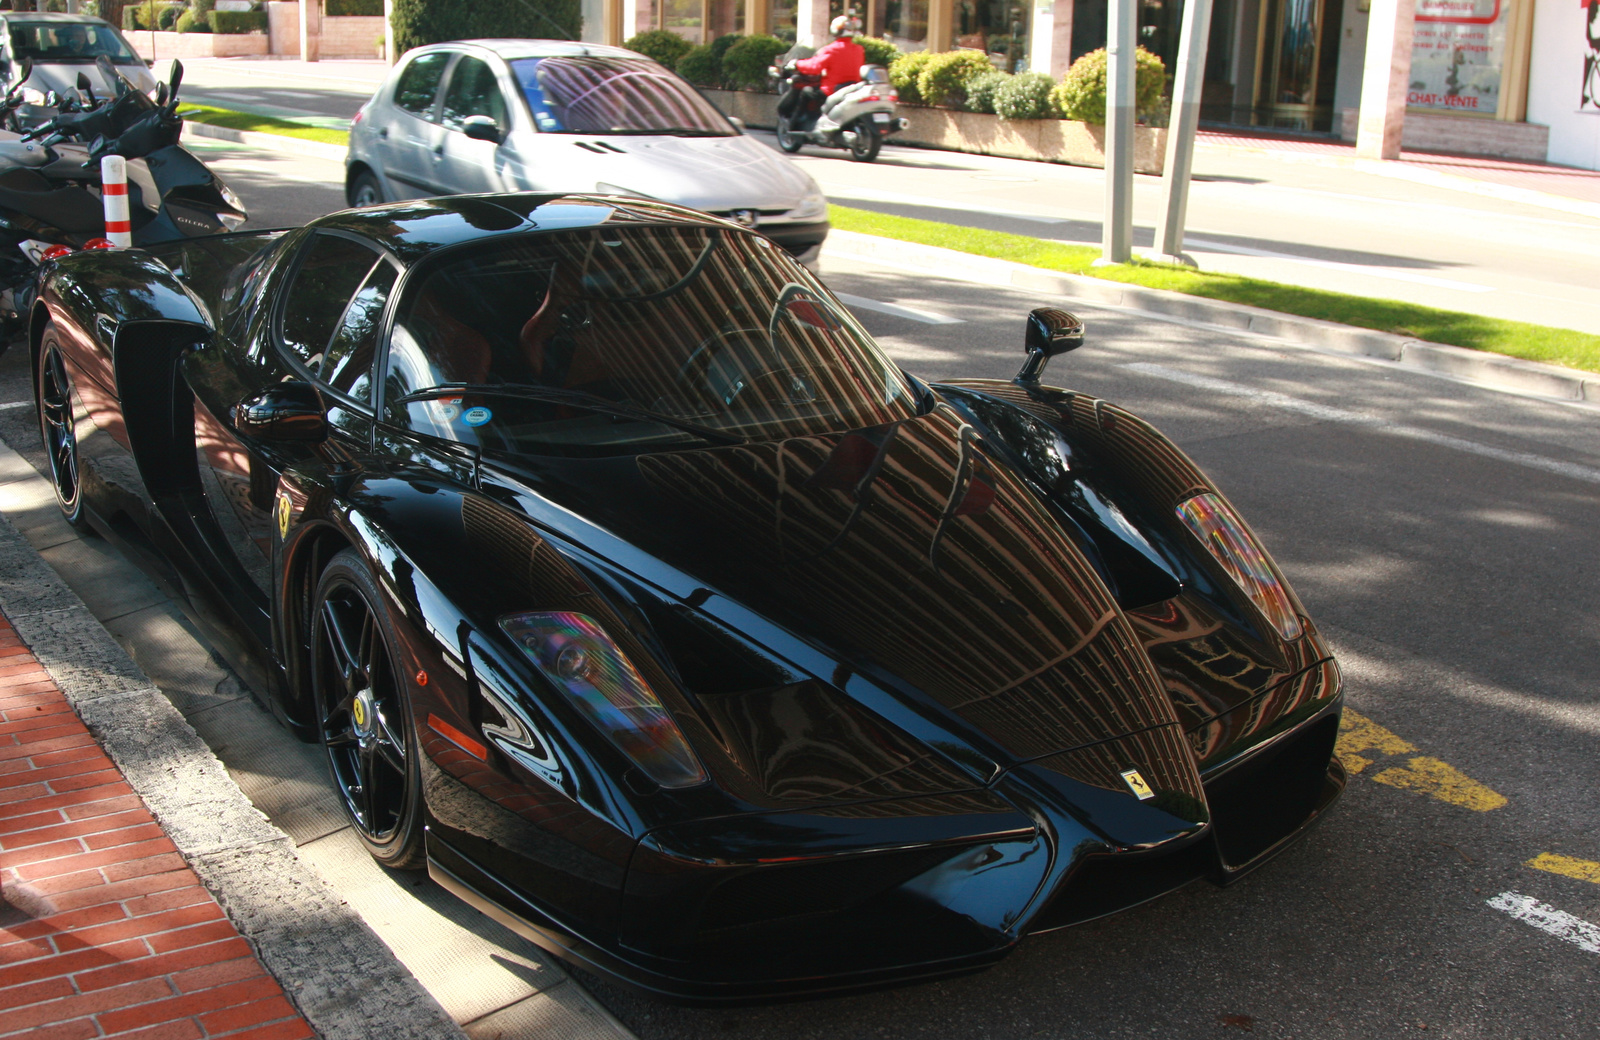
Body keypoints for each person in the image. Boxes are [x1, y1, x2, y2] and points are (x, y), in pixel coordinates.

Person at [777, 16, 864, 126]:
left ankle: (795, 124)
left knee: (806, 91)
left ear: (835, 30)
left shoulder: (832, 49)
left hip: (832, 90)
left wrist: (797, 63)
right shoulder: (859, 49)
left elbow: (815, 66)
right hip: (850, 89)